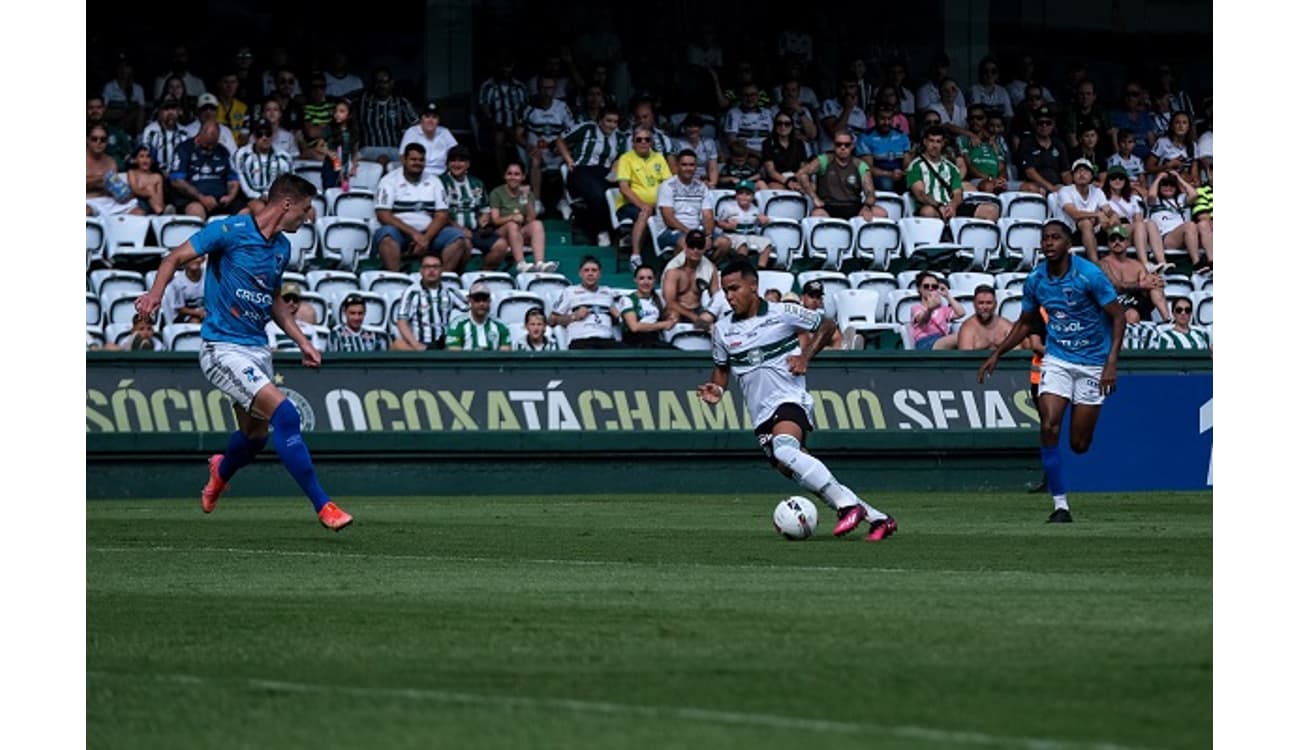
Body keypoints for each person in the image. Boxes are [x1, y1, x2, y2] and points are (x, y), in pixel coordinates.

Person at [133, 174, 353, 532]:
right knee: (286, 415)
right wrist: (155, 295)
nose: (308, 216)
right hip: (221, 348)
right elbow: (174, 257)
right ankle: (323, 505)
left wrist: (302, 340)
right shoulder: (229, 230)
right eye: (306, 208)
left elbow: (274, 301)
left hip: (256, 350)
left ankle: (220, 471)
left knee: (254, 438)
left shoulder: (282, 248)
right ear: (286, 204)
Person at [697, 261, 897, 541]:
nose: (729, 296)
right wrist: (717, 390)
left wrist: (805, 357)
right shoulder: (722, 331)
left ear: (753, 286)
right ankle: (879, 519)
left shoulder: (783, 312)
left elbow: (827, 325)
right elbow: (721, 371)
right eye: (725, 291)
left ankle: (847, 507)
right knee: (802, 471)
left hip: (789, 399)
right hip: (760, 415)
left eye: (734, 288)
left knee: (785, 450)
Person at [977, 219, 1126, 523]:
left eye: (1055, 238)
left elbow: (1119, 316)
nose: (1048, 243)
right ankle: (1060, 506)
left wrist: (1111, 362)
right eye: (1045, 238)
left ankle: (1078, 416)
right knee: (1048, 426)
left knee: (1079, 445)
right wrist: (997, 353)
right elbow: (1026, 323)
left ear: (1068, 244)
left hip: (1092, 364)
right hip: (1057, 359)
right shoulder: (1036, 280)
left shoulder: (1089, 275)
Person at [372, 142, 463, 272]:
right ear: (403, 160)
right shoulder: (389, 181)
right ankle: (397, 279)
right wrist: (414, 234)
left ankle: (441, 279)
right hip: (400, 232)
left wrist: (425, 238)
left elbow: (442, 215)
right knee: (387, 236)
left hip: (429, 233)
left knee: (457, 237)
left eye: (421, 160)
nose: (417, 163)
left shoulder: (434, 181)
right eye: (413, 159)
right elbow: (383, 215)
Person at [488, 162, 554, 273]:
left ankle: (540, 263)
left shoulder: (527, 194)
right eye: (509, 174)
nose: (513, 177)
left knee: (537, 224)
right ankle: (521, 264)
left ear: (523, 177)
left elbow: (531, 220)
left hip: (519, 233)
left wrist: (526, 197)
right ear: (504, 176)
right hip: (501, 234)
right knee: (512, 225)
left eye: (517, 174)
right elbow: (495, 220)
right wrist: (511, 218)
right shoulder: (497, 192)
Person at [392, 254, 466, 351]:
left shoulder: (450, 292)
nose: (431, 270)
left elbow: (470, 310)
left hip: (444, 346)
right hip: (419, 345)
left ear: (441, 270)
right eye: (427, 267)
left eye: (435, 267)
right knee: (397, 344)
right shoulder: (411, 292)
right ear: (421, 271)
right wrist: (416, 345)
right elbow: (402, 321)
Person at [549, 255, 621, 349]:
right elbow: (551, 320)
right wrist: (573, 316)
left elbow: (618, 321)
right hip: (581, 340)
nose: (590, 274)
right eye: (586, 270)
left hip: (607, 340)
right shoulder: (570, 292)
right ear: (580, 274)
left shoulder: (608, 292)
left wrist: (617, 316)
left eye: (594, 270)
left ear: (600, 274)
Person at [662, 229, 721, 331]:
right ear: (685, 246)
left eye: (699, 246)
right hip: (677, 308)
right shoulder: (673, 270)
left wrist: (709, 315)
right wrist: (694, 317)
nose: (695, 250)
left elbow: (717, 297)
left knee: (713, 317)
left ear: (704, 248)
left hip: (698, 309)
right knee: (673, 315)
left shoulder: (710, 268)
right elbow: (670, 301)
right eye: (692, 246)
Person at [618, 264, 678, 348]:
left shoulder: (658, 299)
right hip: (634, 343)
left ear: (654, 280)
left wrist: (672, 318)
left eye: (649, 278)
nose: (646, 282)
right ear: (635, 280)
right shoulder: (627, 300)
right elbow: (634, 327)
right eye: (641, 278)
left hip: (655, 340)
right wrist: (662, 325)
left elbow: (668, 316)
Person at [446, 283, 512, 351]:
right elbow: (455, 354)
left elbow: (505, 355)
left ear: (489, 301)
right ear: (470, 301)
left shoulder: (501, 326)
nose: (481, 304)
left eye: (484, 299)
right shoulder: (457, 325)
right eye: (477, 300)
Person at [908, 271, 964, 350]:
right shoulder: (916, 307)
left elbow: (961, 313)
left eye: (934, 286)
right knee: (964, 336)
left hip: (941, 339)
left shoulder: (943, 309)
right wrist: (930, 309)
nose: (930, 288)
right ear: (919, 289)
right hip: (925, 342)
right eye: (926, 286)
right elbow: (922, 321)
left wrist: (947, 296)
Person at [956, 285, 1015, 350]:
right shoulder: (968, 328)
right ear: (974, 304)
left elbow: (1017, 351)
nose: (985, 307)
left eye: (989, 303)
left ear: (995, 304)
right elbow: (965, 357)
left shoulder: (1006, 325)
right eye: (981, 303)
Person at [162, 255, 206, 324]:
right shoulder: (178, 282)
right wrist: (199, 313)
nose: (194, 260)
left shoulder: (209, 275)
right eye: (190, 258)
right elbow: (180, 309)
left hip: (206, 311)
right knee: (195, 322)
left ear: (203, 259)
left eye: (197, 257)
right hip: (185, 313)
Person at [125, 145, 166, 216]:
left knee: (150, 189)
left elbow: (160, 198)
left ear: (152, 160)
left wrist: (152, 194)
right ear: (135, 160)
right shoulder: (132, 172)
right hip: (138, 203)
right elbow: (135, 190)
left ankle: (161, 212)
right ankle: (161, 213)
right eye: (141, 156)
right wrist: (149, 193)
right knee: (149, 188)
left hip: (155, 206)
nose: (145, 159)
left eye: (148, 156)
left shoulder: (157, 177)